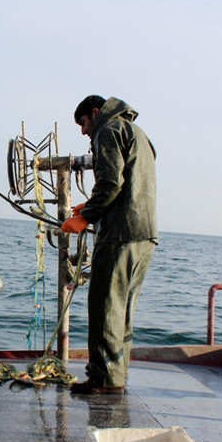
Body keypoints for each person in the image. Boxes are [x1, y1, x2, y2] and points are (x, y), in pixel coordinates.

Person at [61, 95, 157, 394]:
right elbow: (128, 182)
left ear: (95, 112)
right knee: (124, 309)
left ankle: (102, 379)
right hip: (144, 234)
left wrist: (86, 217)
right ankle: (118, 375)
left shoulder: (108, 129)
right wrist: (90, 204)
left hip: (119, 233)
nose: (83, 131)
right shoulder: (139, 134)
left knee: (105, 304)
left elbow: (111, 183)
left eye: (83, 123)